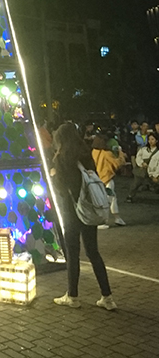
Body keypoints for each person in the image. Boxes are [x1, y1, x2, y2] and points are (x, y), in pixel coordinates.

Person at [50, 122, 116, 311]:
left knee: (72, 253)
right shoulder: (86, 154)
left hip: (71, 211)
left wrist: (53, 175)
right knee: (93, 251)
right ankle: (107, 297)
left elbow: (62, 190)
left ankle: (72, 296)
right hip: (88, 209)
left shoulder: (61, 158)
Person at [91, 135, 126, 226]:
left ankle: (117, 218)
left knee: (104, 199)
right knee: (109, 199)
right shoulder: (107, 153)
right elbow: (118, 163)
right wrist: (120, 152)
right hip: (107, 178)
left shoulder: (93, 152)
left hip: (95, 179)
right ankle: (105, 220)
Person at [126, 132, 159, 201]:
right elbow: (138, 157)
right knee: (136, 184)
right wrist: (141, 163)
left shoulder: (157, 152)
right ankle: (130, 196)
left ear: (156, 140)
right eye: (149, 139)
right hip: (142, 170)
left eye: (152, 139)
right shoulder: (144, 149)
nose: (150, 141)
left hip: (152, 171)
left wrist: (155, 174)